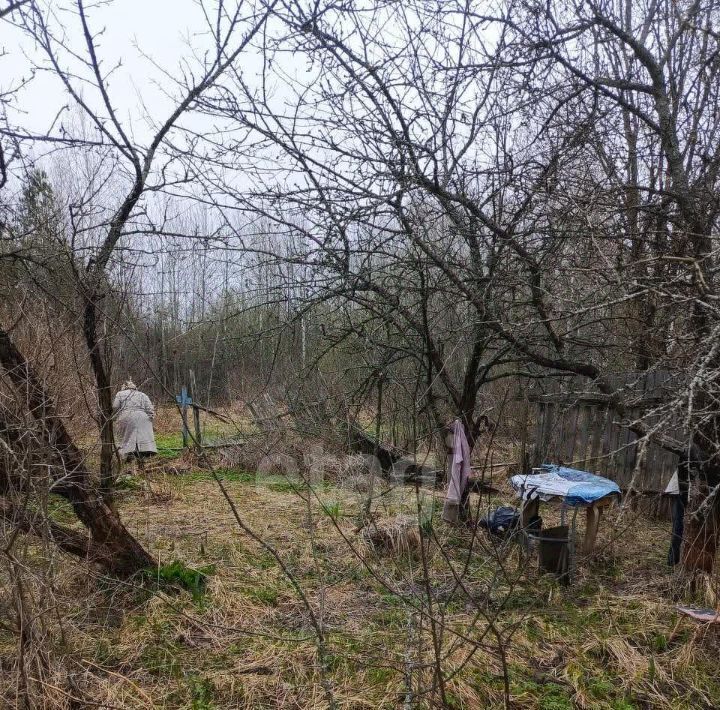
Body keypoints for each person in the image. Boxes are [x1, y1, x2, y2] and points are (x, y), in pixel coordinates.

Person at [113, 380, 157, 463]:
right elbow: (150, 409)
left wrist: (114, 417)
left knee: (126, 437)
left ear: (124, 387)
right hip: (143, 417)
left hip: (126, 415)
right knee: (143, 436)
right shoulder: (143, 395)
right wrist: (150, 419)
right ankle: (143, 455)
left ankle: (127, 455)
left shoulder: (120, 394)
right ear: (135, 387)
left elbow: (115, 406)